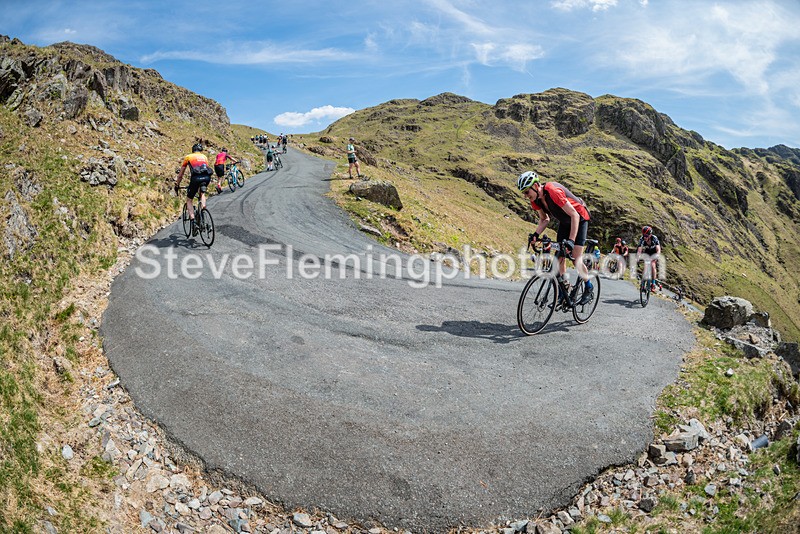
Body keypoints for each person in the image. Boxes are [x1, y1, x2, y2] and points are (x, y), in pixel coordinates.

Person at [518, 170, 594, 306]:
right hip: (565, 222)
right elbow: (544, 219)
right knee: (559, 257)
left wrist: (571, 240)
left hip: (580, 218)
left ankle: (588, 287)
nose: (525, 196)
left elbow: (575, 215)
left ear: (535, 186)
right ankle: (564, 290)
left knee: (576, 258)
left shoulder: (553, 191)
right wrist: (536, 235)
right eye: (523, 193)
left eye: (526, 192)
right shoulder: (535, 201)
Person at [175, 143, 212, 235]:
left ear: (193, 150)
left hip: (196, 179)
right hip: (207, 178)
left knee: (189, 200)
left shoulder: (188, 157)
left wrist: (177, 184)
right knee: (202, 194)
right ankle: (203, 210)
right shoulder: (204, 157)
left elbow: (181, 174)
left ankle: (193, 222)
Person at [636, 225, 662, 291]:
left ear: (650, 235)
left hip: (654, 252)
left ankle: (653, 284)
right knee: (645, 265)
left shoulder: (654, 238)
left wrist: (657, 256)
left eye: (646, 236)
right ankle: (642, 283)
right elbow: (639, 250)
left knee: (653, 265)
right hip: (647, 252)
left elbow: (658, 249)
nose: (645, 237)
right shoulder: (642, 239)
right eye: (644, 235)